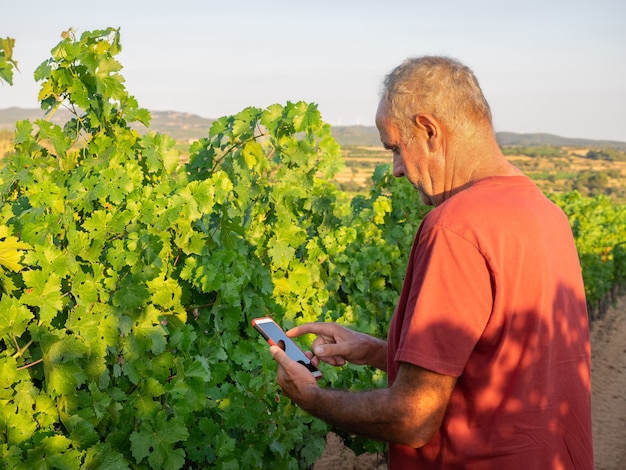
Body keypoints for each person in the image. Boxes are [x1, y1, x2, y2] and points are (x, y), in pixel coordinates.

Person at [269, 56, 594, 469]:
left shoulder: (456, 227)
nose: (397, 170)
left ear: (428, 131)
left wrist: (311, 397)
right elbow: (491, 362)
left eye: (395, 149)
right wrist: (375, 351)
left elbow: (414, 419)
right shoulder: (546, 213)